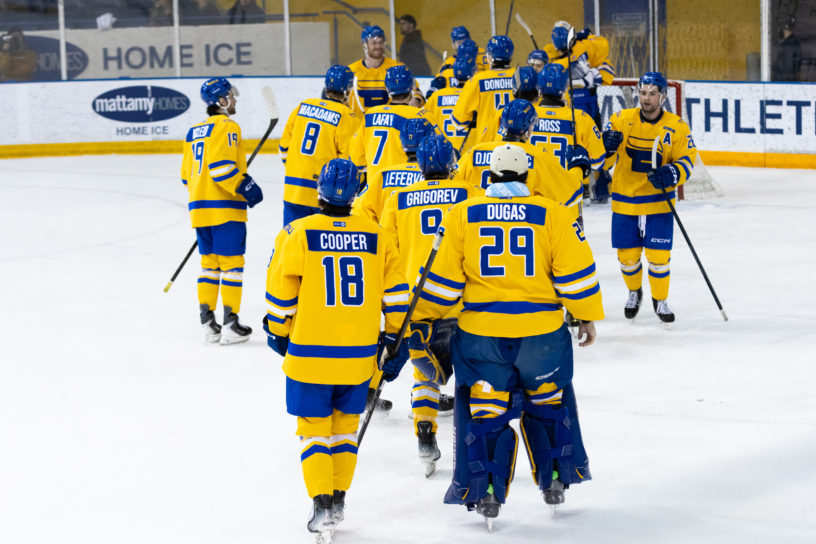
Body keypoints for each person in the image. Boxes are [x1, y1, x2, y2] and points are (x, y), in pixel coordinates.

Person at [390, 142, 603, 526]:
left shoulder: (462, 215)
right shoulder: (552, 213)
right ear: (527, 176)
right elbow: (578, 273)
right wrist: (586, 317)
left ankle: (487, 489)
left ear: (488, 177)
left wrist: (419, 320)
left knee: (485, 413)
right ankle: (555, 479)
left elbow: (441, 284)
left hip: (481, 337)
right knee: (549, 406)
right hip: (542, 338)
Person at [263, 158, 409, 541]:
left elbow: (280, 298)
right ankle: (340, 499)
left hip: (309, 354)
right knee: (345, 429)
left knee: (313, 431)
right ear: (358, 191)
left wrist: (278, 332)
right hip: (359, 357)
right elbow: (396, 298)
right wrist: (394, 338)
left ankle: (321, 503)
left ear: (319, 191)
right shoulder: (377, 236)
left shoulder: (297, 231)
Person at [380, 133, 482, 476]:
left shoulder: (397, 197)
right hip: (462, 300)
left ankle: (425, 432)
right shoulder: (469, 191)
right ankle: (478, 444)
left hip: (418, 302)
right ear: (452, 164)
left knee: (426, 375)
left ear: (419, 167)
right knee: (474, 373)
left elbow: (386, 251)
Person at [601, 72, 698, 324]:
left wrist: (672, 172)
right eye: (643, 93)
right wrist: (607, 148)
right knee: (628, 256)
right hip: (625, 200)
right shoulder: (620, 119)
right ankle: (634, 292)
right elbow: (604, 162)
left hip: (658, 203)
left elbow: (687, 160)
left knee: (658, 256)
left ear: (663, 96)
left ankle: (660, 299)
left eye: (652, 94)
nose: (646, 98)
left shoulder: (677, 126)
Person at [180, 77, 263, 344]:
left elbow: (185, 176)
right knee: (232, 266)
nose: (235, 100)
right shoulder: (228, 125)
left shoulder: (194, 131)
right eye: (231, 96)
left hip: (199, 209)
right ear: (222, 101)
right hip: (225, 208)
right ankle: (230, 323)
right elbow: (221, 168)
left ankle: (208, 323)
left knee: (209, 265)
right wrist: (245, 186)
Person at [456, 98, 586, 222]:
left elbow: (452, 182)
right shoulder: (539, 156)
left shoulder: (474, 152)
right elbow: (571, 192)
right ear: (529, 127)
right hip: (524, 231)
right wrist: (578, 166)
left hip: (476, 227)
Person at [279, 65, 360, 226]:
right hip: (326, 195)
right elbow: (350, 161)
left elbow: (284, 148)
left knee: (291, 242)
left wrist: (298, 169)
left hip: (293, 191)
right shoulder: (347, 116)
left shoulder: (303, 106)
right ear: (349, 89)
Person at [532, 63, 606, 201]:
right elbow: (598, 162)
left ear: (539, 88)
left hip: (534, 200)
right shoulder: (581, 118)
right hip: (569, 199)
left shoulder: (527, 114)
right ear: (565, 87)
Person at [349, 65, 425, 187]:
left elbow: (357, 160)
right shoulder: (420, 116)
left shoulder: (370, 115)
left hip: (375, 189)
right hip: (406, 188)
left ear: (387, 89)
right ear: (411, 88)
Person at [353, 117, 434, 224]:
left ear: (402, 141)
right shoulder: (436, 176)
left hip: (387, 238)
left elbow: (359, 209)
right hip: (422, 239)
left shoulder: (383, 175)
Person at [452, 35, 516, 154]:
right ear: (511, 55)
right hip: (517, 145)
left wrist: (474, 118)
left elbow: (458, 122)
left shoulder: (477, 80)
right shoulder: (519, 76)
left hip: (487, 146)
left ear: (489, 57)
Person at [348, 25, 423, 117]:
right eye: (374, 43)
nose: (378, 46)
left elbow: (417, 93)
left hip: (391, 125)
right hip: (360, 127)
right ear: (365, 45)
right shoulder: (351, 71)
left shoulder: (397, 67)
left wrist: (416, 100)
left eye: (381, 42)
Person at [422, 55, 475, 151]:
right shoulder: (476, 96)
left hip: (443, 152)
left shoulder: (437, 95)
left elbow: (423, 119)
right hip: (469, 150)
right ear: (473, 73)